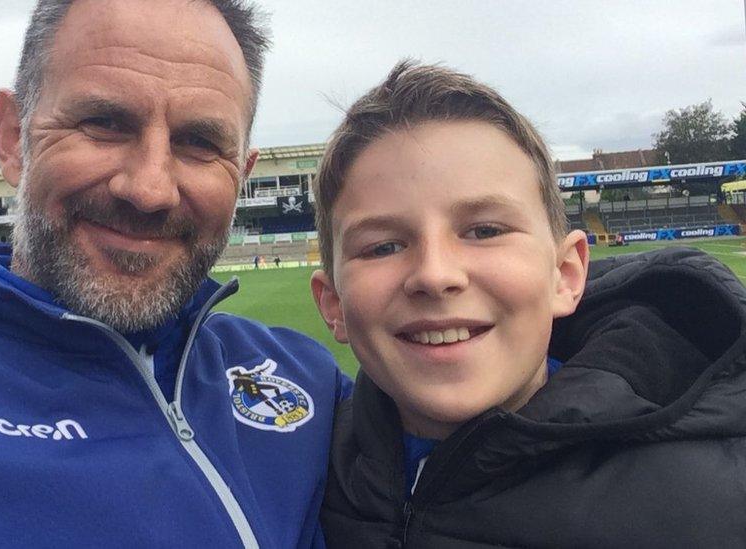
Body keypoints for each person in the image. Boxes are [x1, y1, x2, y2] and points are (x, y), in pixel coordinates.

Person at [0, 1, 350, 547]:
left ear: (242, 173)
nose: (149, 190)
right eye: (104, 123)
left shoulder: (311, 387)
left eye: (200, 143)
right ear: (12, 139)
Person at [310, 61, 746, 547]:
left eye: (485, 231)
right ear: (333, 304)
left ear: (565, 274)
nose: (435, 275)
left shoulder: (711, 506)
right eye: (383, 246)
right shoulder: (299, 471)